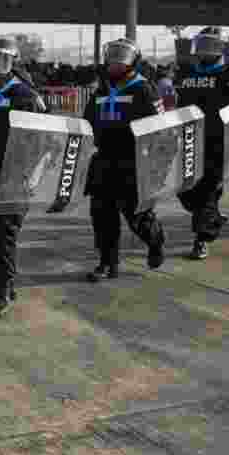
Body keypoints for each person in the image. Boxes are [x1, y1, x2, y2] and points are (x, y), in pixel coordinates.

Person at [0, 38, 46, 318]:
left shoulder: (24, 95)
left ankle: (3, 289)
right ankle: (1, 281)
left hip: (14, 175)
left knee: (5, 234)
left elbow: (40, 139)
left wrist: (29, 174)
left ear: (11, 62)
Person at [83, 38, 166, 281]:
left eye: (122, 57)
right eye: (113, 56)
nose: (116, 62)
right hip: (103, 161)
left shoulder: (144, 89)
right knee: (102, 216)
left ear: (133, 62)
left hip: (133, 163)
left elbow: (159, 128)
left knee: (137, 216)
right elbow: (87, 121)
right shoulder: (100, 89)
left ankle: (155, 242)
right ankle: (107, 263)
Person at [173, 27, 229, 259]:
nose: (204, 50)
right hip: (189, 140)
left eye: (211, 45)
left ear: (221, 48)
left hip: (218, 143)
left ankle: (202, 238)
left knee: (206, 192)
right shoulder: (186, 73)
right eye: (202, 44)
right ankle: (212, 217)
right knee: (185, 190)